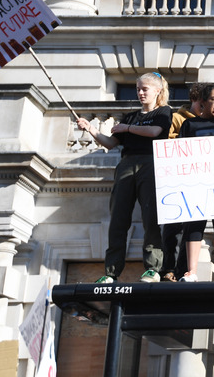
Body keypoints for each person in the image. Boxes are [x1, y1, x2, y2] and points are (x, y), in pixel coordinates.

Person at [77, 72, 171, 284]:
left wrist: (127, 129)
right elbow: (110, 143)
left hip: (151, 162)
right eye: (138, 88)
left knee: (151, 217)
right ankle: (111, 272)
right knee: (118, 219)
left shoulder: (163, 112)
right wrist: (91, 129)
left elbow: (155, 132)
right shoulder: (130, 116)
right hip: (127, 163)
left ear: (157, 90)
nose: (140, 92)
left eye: (144, 89)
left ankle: (153, 267)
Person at [177, 84, 214, 282]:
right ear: (202, 102)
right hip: (197, 183)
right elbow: (180, 152)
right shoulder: (189, 125)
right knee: (194, 224)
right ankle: (191, 272)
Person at [161, 82, 206, 281]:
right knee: (173, 228)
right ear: (194, 100)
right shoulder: (177, 119)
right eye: (202, 102)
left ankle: (183, 270)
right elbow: (167, 145)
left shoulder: (212, 121)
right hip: (178, 182)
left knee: (193, 230)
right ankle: (168, 268)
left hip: (200, 183)